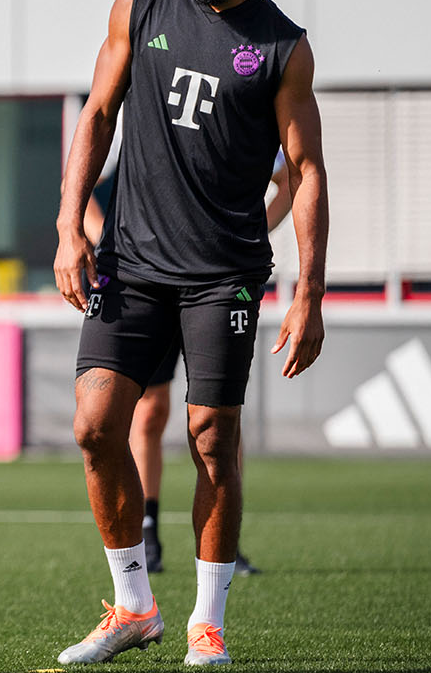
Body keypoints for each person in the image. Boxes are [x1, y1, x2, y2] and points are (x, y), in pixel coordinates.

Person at [52, 0, 328, 668]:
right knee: (94, 427)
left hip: (224, 273)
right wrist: (71, 226)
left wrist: (309, 292)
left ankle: (206, 620)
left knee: (212, 437)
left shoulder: (283, 44)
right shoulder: (141, 4)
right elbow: (97, 112)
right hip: (130, 264)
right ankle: (134, 604)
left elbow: (305, 171)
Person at [85, 158, 291, 575]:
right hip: (146, 280)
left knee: (219, 422)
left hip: (215, 282)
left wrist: (248, 234)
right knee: (148, 412)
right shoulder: (139, 108)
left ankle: (225, 546)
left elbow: (291, 178)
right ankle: (148, 532)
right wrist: (107, 239)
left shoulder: (240, 104)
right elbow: (81, 176)